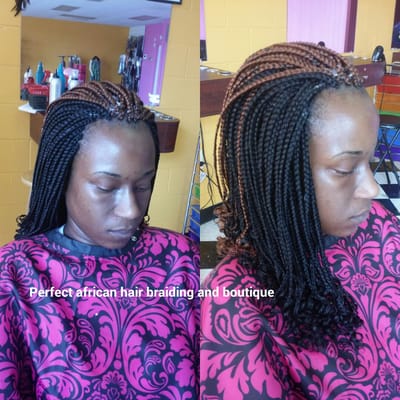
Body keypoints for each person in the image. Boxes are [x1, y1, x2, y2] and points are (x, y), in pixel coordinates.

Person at [200, 42, 400, 399]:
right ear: (278, 173)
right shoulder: (237, 301)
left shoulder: (380, 224)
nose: (372, 189)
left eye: (369, 162)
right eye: (345, 168)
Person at [0, 81, 199, 398]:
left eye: (143, 185)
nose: (131, 210)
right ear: (63, 177)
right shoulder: (15, 276)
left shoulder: (181, 259)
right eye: (106, 187)